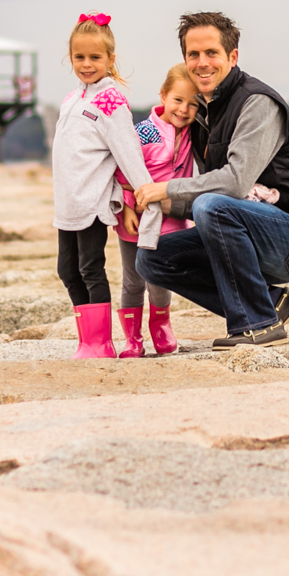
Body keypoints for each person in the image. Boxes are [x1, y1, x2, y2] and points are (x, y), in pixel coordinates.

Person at [134, 11, 289, 346]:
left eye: (211, 53)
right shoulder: (204, 112)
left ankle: (257, 324)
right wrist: (149, 202)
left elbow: (233, 185)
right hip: (255, 231)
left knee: (214, 205)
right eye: (193, 54)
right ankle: (270, 303)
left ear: (232, 56)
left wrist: (166, 189)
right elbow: (209, 200)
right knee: (152, 257)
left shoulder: (257, 102)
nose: (202, 63)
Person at [53, 13, 157, 358]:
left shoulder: (110, 102)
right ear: (71, 58)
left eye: (95, 57)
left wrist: (145, 194)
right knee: (66, 270)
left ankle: (101, 343)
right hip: (67, 204)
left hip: (94, 202)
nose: (86, 64)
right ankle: (87, 338)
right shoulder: (72, 99)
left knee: (90, 269)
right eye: (79, 57)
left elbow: (128, 154)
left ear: (110, 60)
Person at [110, 64, 198, 357]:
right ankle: (132, 338)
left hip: (170, 218)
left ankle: (161, 325)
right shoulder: (144, 132)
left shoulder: (194, 134)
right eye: (177, 100)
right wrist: (126, 206)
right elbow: (123, 167)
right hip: (136, 216)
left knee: (159, 278)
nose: (184, 110)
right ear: (163, 96)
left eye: (193, 104)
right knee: (133, 280)